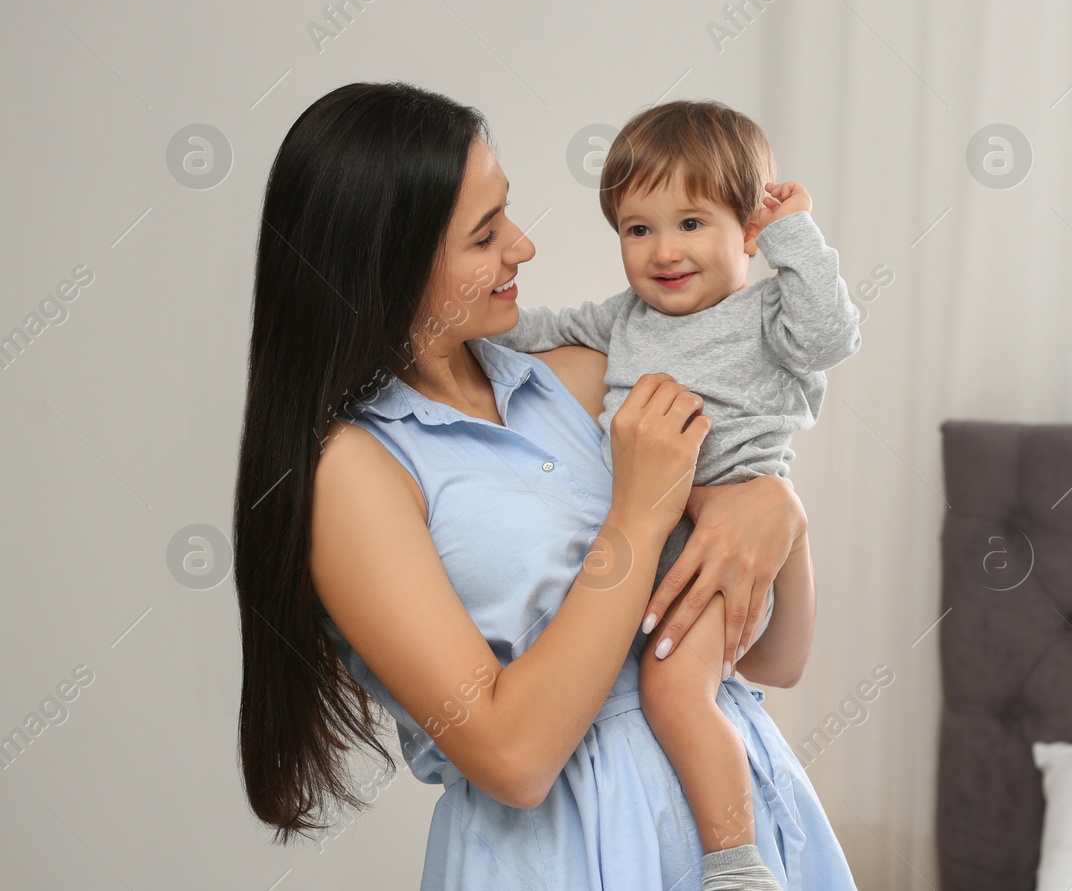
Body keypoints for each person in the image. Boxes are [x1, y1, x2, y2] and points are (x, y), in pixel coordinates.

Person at [232, 81, 858, 890]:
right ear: (389, 260)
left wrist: (780, 513)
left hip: (746, 838)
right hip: (563, 855)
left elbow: (774, 658)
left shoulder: (588, 377)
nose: (523, 247)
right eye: (485, 234)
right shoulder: (358, 472)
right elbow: (515, 758)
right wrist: (638, 512)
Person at [486, 100, 861, 878]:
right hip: (648, 540)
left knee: (673, 691)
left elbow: (832, 335)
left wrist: (794, 233)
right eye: (638, 228)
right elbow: (541, 326)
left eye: (692, 222)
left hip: (722, 549)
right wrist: (471, 321)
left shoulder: (768, 314)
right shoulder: (625, 318)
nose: (664, 250)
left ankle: (735, 861)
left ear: (748, 231)